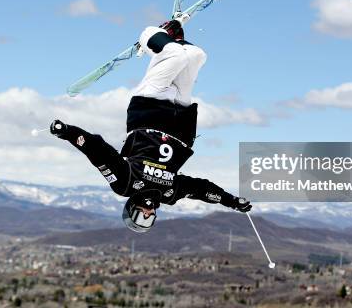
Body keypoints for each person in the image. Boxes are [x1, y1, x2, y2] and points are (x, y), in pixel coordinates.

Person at [51, 17, 251, 233]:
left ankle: (151, 35)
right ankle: (176, 39)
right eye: (148, 220)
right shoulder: (169, 194)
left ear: (130, 209)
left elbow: (99, 152)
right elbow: (201, 189)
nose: (146, 214)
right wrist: (231, 201)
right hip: (179, 122)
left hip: (149, 112)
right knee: (197, 56)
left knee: (173, 57)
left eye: (139, 216)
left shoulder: (125, 184)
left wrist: (68, 132)